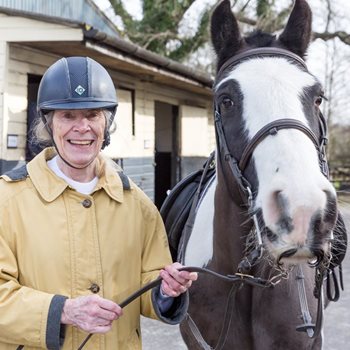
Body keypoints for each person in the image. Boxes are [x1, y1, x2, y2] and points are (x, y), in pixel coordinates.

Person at [0, 56, 198, 350]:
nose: (82, 127)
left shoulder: (139, 208)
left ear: (107, 123)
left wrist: (167, 290)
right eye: (68, 116)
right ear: (48, 122)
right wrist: (63, 311)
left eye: (92, 115)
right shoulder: (7, 201)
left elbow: (149, 288)